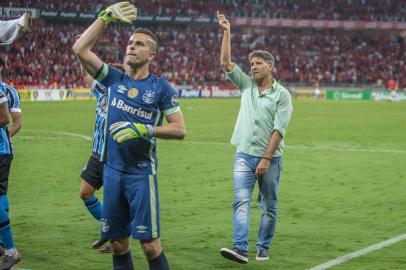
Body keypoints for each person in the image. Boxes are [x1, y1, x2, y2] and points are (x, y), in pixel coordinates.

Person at [73, 2, 186, 269]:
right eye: (130, 42)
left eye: (139, 44)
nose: (131, 46)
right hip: (111, 172)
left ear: (151, 55)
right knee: (117, 244)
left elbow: (180, 129)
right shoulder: (113, 79)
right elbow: (80, 49)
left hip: (141, 174)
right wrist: (106, 17)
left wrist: (144, 129)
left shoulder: (160, 88)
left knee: (149, 246)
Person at [217, 12, 293, 264]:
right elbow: (227, 63)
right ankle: (240, 248)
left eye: (258, 63)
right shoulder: (247, 85)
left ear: (270, 66)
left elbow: (279, 129)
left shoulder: (282, 95)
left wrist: (266, 158)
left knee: (269, 205)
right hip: (243, 155)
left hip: (269, 159)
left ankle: (263, 246)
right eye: (251, 64)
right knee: (240, 201)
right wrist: (227, 31)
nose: (253, 67)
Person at [78, 64, 110, 253]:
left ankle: (119, 241)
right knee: (85, 192)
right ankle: (109, 227)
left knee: (116, 201)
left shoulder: (124, 100)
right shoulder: (102, 91)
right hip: (96, 155)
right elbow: (85, 74)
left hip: (114, 159)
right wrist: (82, 49)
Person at [0, 56, 23, 269]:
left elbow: (15, 122)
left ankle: (9, 248)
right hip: (3, 150)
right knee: (1, 195)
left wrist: (4, 137)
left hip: (2, 149)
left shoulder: (9, 92)